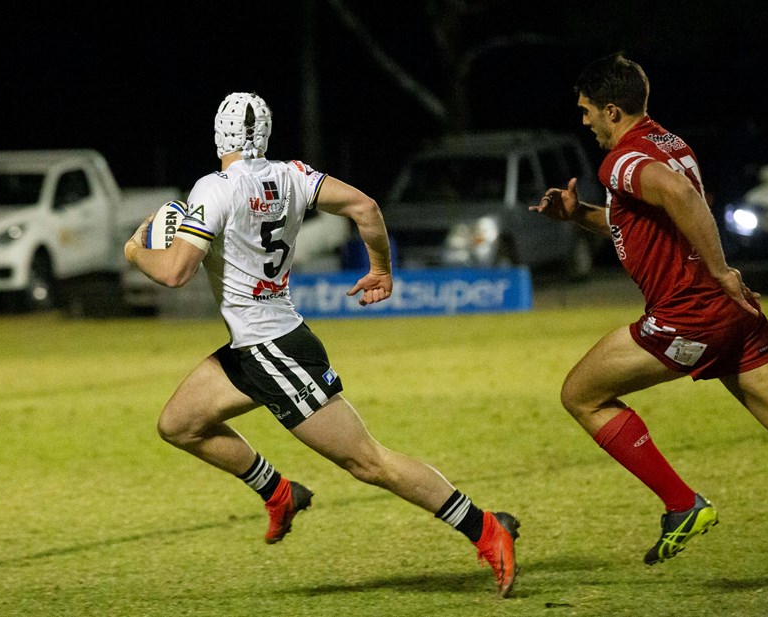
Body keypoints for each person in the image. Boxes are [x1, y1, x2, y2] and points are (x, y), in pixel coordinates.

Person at [125, 92, 520, 595]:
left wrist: (136, 251)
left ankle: (486, 529)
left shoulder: (213, 189)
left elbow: (174, 272)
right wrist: (381, 267)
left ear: (218, 135)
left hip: (274, 350)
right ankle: (278, 492)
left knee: (368, 462)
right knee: (179, 424)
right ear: (264, 135)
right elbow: (365, 206)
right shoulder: (292, 175)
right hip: (256, 347)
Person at [530, 54, 768, 565]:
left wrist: (721, 268)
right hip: (731, 312)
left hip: (691, 313)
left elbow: (680, 194)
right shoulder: (669, 141)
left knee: (581, 395)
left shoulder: (620, 160)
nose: (585, 121)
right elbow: (645, 220)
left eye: (587, 111)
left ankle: (683, 505)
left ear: (612, 111)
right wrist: (578, 217)